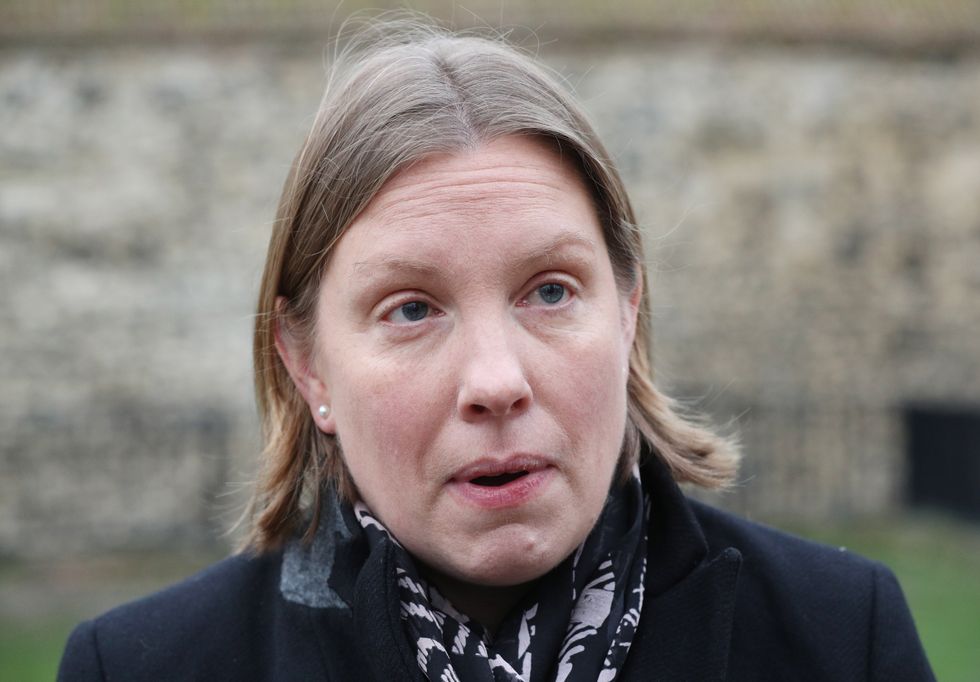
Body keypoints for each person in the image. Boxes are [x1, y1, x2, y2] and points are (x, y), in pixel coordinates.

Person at [58, 18, 935, 682]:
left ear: (628, 309)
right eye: (411, 310)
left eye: (550, 291)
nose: (496, 381)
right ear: (307, 364)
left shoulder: (836, 636)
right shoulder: (142, 665)